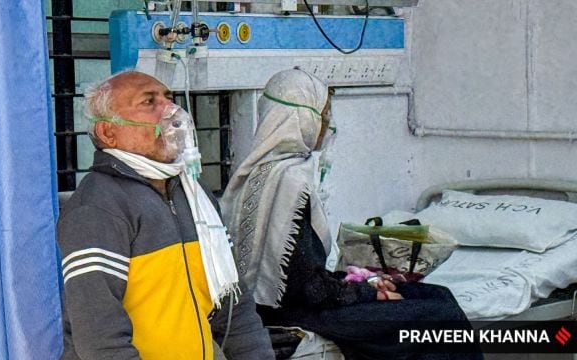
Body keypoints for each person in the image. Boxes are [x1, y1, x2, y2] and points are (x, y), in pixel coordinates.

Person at [220, 68, 482, 360]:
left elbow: (299, 273)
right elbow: (304, 289)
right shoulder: (291, 183)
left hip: (277, 305)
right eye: (324, 114)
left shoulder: (251, 174)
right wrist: (369, 293)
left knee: (437, 295)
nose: (328, 125)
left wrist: (365, 281)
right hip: (289, 314)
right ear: (303, 118)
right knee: (438, 315)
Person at [57, 70, 275, 360]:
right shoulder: (97, 207)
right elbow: (101, 338)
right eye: (149, 102)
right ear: (109, 132)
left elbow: (234, 310)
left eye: (168, 98)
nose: (171, 111)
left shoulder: (196, 197)